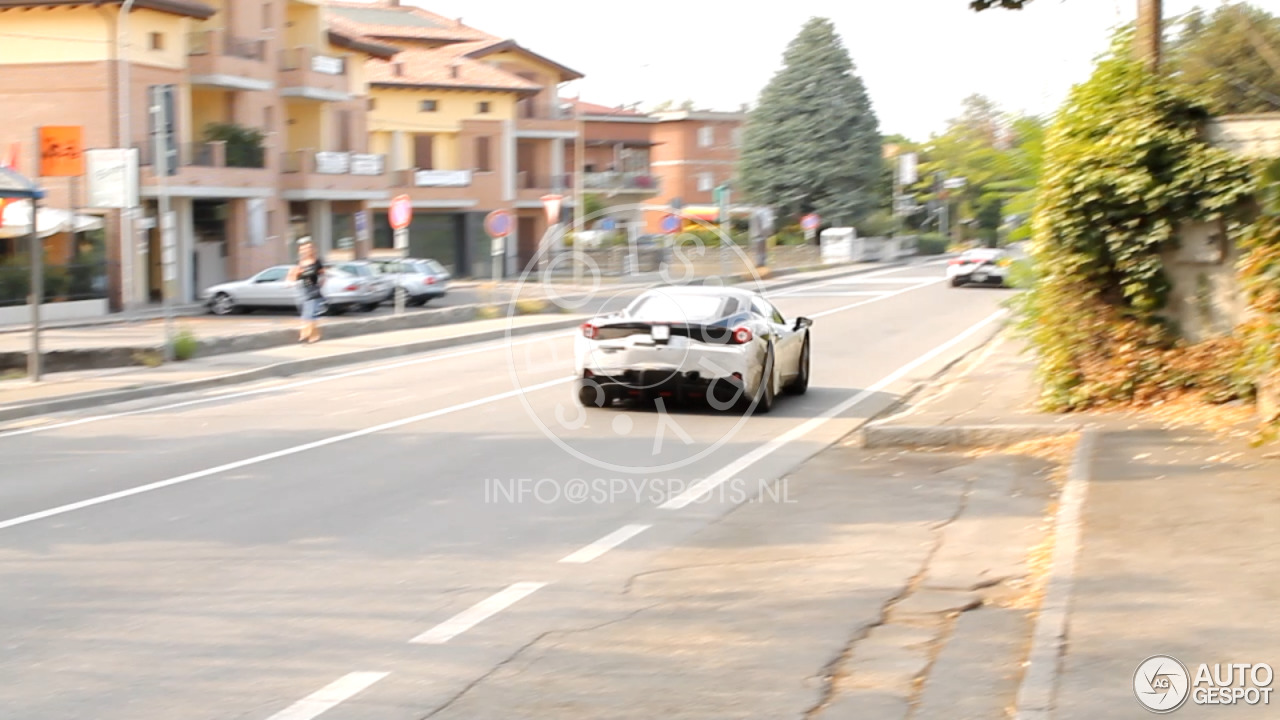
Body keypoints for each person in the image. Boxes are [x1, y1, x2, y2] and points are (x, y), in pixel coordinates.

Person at [287, 240, 326, 343]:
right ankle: (314, 335)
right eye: (303, 249)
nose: (306, 250)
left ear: (312, 250)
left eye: (308, 248)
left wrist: (321, 282)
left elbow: (323, 274)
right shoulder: (299, 263)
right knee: (306, 313)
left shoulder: (317, 262)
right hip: (301, 290)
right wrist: (290, 281)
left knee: (310, 313)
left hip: (313, 289)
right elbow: (292, 275)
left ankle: (304, 334)